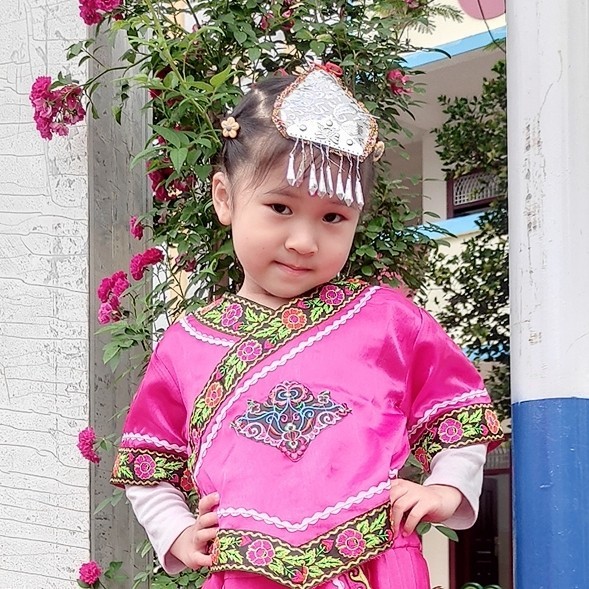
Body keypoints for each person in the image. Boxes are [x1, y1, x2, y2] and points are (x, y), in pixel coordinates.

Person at [111, 65, 503, 589]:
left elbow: (460, 414)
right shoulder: (187, 343)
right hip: (245, 575)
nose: (304, 241)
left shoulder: (387, 320)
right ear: (225, 198)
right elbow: (149, 460)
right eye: (280, 207)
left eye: (333, 217)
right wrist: (175, 530)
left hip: (377, 566)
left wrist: (446, 488)